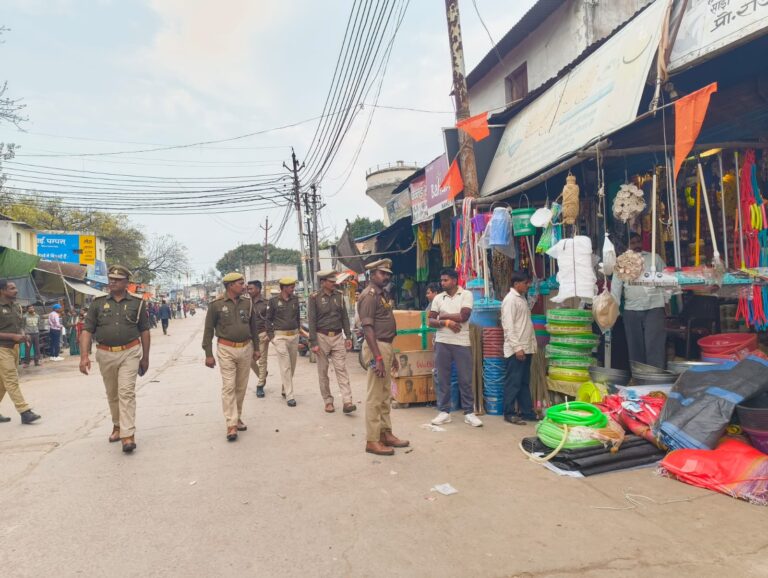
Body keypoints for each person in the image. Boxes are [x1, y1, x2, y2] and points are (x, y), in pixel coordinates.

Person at [80, 265, 150, 453]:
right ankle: (117, 426)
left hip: (130, 352)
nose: (112, 282)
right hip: (105, 353)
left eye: (117, 280)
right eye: (111, 279)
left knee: (126, 392)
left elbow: (144, 330)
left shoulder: (138, 302)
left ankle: (128, 435)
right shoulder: (97, 302)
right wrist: (84, 356)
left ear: (127, 282)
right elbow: (87, 330)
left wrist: (146, 357)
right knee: (113, 394)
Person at [357, 258, 409, 456]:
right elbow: (368, 329)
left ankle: (385, 433)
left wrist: (391, 353)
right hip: (376, 347)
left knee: (385, 393)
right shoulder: (369, 296)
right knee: (375, 395)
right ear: (372, 275)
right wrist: (378, 358)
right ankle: (372, 440)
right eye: (382, 273)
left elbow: (384, 325)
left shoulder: (383, 294)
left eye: (388, 273)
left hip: (385, 345)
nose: (386, 276)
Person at [202, 272, 260, 442]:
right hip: (226, 349)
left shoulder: (247, 303)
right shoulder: (216, 305)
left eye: (243, 283)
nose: (244, 286)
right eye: (240, 283)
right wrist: (208, 354)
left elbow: (254, 328)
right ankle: (231, 424)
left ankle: (238, 416)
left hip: (246, 348)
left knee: (241, 386)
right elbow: (208, 330)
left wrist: (256, 348)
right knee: (228, 386)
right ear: (230, 286)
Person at [428, 268, 482, 427]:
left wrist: (443, 315)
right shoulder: (438, 297)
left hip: (461, 342)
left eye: (445, 280)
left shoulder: (466, 294)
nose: (442, 283)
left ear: (454, 280)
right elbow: (430, 321)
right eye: (442, 280)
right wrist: (447, 323)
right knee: (442, 378)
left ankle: (469, 413)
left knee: (465, 378)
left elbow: (464, 317)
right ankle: (444, 412)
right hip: (442, 341)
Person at [610, 232, 669, 369]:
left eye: (638, 242)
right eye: (633, 243)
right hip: (631, 309)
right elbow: (616, 289)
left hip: (654, 307)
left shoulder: (655, 258)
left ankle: (655, 377)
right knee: (635, 346)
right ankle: (639, 377)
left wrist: (666, 300)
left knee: (655, 345)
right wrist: (614, 311)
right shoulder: (621, 262)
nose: (637, 245)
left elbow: (667, 280)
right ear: (627, 246)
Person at [309, 270, 355, 414]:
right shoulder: (314, 297)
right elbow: (312, 321)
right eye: (331, 281)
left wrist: (348, 336)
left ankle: (347, 401)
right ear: (323, 283)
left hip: (337, 337)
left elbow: (345, 317)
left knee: (341, 369)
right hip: (321, 337)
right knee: (323, 371)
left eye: (334, 281)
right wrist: (313, 342)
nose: (334, 283)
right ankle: (328, 401)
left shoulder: (340, 296)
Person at [0, 281, 41, 424]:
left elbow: (20, 325)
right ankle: (24, 412)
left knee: (3, 383)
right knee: (11, 379)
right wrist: (12, 336)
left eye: (15, 287)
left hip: (15, 348)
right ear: (2, 291)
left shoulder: (17, 307)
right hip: (2, 349)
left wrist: (24, 335)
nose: (16, 291)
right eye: (12, 288)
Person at [501, 271, 537, 425]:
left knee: (523, 382)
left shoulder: (521, 298)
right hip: (517, 348)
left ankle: (527, 412)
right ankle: (509, 413)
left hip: (526, 347)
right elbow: (508, 326)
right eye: (525, 283)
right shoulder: (510, 300)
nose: (527, 285)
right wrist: (517, 348)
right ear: (516, 284)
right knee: (514, 382)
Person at [266, 278, 301, 407]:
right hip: (280, 337)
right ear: (284, 288)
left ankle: (284, 388)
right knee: (285, 366)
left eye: (293, 286)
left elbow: (297, 317)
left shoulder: (295, 300)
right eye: (291, 287)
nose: (293, 289)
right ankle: (290, 396)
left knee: (292, 366)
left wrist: (299, 331)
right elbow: (268, 320)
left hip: (294, 336)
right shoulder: (273, 301)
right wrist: (271, 337)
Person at [246, 280, 269, 398]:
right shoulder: (245, 303)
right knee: (250, 360)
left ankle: (260, 385)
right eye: (248, 289)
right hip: (249, 336)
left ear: (258, 289)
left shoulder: (266, 303)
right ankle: (263, 374)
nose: (249, 291)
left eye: (251, 289)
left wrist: (268, 333)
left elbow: (271, 320)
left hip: (262, 335)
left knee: (262, 359)